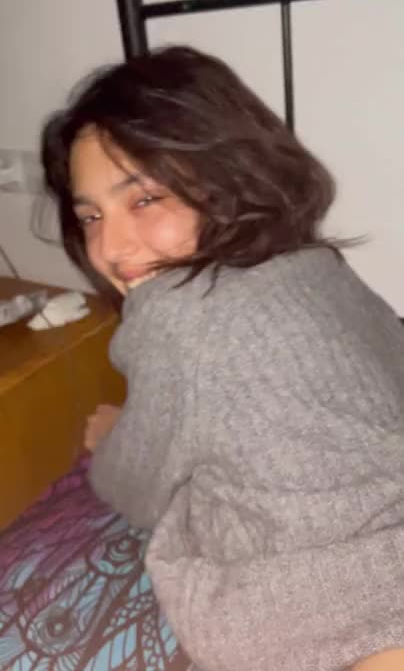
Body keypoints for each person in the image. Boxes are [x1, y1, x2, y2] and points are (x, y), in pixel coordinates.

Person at [41, 45, 404, 671]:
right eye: (91, 215)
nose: (110, 246)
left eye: (145, 199)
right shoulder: (316, 264)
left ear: (229, 179)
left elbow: (133, 491)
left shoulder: (176, 315)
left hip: (315, 594)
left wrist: (110, 441)